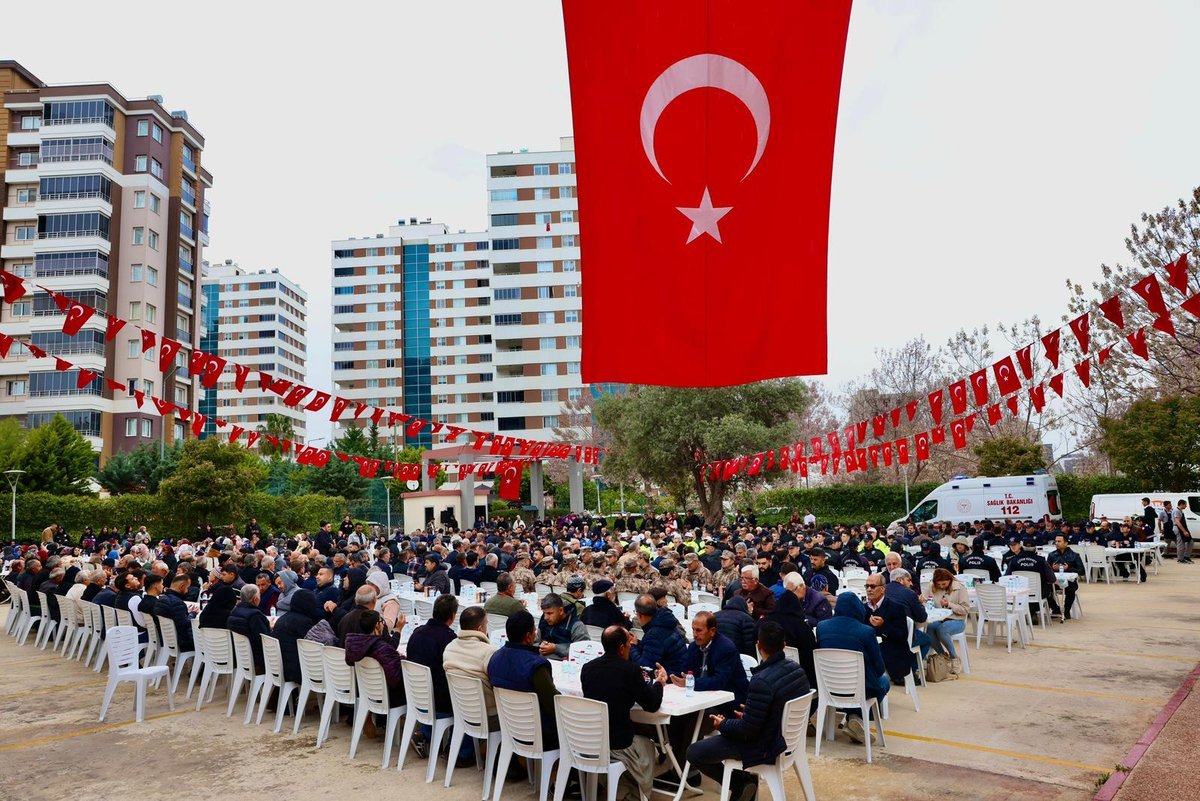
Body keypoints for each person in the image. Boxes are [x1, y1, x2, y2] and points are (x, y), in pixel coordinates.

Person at [686, 621, 810, 801]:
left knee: (694, 752)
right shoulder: (797, 670)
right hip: (787, 741)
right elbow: (776, 708)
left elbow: (747, 730)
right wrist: (751, 712)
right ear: (784, 645)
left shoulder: (762, 680)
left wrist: (724, 724)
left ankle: (740, 783)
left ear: (759, 646)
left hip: (765, 745)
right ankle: (744, 785)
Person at [581, 626, 668, 801]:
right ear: (622, 648)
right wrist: (659, 683)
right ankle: (637, 794)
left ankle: (623, 788)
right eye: (629, 645)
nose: (630, 648)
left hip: (592, 740)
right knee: (648, 744)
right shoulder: (630, 670)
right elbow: (652, 704)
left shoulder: (587, 668)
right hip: (617, 743)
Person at [405, 593, 471, 761]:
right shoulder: (449, 640)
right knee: (469, 701)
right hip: (438, 699)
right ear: (453, 616)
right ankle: (458, 751)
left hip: (416, 693)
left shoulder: (416, 633)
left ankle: (425, 734)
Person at [816, 593, 887, 745]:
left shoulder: (822, 627)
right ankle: (856, 719)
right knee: (884, 682)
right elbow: (879, 668)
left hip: (828, 686)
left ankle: (854, 720)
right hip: (857, 688)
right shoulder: (866, 632)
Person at [487, 610, 559, 747]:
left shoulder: (494, 657)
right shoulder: (536, 665)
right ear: (528, 636)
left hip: (508, 725)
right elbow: (553, 704)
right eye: (534, 631)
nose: (535, 634)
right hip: (539, 732)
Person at [674, 611, 748, 707]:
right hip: (701, 696)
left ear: (712, 631)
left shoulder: (726, 649)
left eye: (699, 630)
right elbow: (684, 671)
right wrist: (667, 675)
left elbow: (719, 682)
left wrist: (692, 682)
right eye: (693, 630)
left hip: (729, 701)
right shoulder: (693, 647)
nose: (695, 635)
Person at [443, 605, 498, 720]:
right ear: (480, 629)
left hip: (461, 711)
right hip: (489, 715)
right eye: (486, 625)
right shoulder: (488, 651)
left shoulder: (449, 647)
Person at [762, 573, 818, 686]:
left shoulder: (763, 624)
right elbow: (810, 660)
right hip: (798, 682)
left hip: (768, 678)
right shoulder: (802, 629)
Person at [344, 609, 406, 708]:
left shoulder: (357, 646)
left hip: (366, 691)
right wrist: (401, 658)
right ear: (377, 625)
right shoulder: (381, 648)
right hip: (389, 697)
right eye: (382, 622)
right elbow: (395, 679)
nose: (383, 625)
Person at [272, 589, 323, 685]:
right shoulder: (304, 622)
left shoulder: (283, 618)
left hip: (278, 666)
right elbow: (311, 646)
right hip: (295, 671)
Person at [630, 593, 688, 676]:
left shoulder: (654, 634)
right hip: (678, 671)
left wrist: (632, 647)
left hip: (671, 677)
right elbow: (653, 652)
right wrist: (637, 644)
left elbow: (645, 668)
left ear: (639, 615)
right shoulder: (664, 621)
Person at [925, 568, 969, 672]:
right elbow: (926, 602)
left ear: (950, 580)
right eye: (938, 584)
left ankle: (954, 657)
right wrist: (923, 601)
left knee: (942, 629)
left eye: (944, 584)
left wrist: (950, 604)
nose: (941, 586)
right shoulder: (931, 586)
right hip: (938, 618)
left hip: (957, 619)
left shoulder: (959, 588)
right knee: (928, 628)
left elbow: (965, 610)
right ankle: (942, 656)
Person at [228, 584, 270, 673]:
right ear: (255, 599)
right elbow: (264, 640)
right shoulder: (255, 616)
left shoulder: (234, 611)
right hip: (256, 660)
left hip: (239, 656)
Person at [536, 592, 588, 660]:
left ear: (560, 611)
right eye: (544, 613)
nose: (545, 617)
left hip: (565, 664)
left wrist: (556, 648)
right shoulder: (544, 621)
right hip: (542, 661)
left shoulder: (576, 626)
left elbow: (583, 651)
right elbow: (535, 642)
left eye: (549, 613)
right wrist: (540, 646)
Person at [1045, 533, 1084, 619]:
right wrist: (1052, 569)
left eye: (1059, 541)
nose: (1056, 543)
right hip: (1055, 581)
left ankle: (1066, 611)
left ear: (1066, 543)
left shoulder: (1074, 555)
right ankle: (1055, 608)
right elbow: (1046, 570)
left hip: (1069, 582)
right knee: (1044, 589)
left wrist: (1068, 568)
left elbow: (1082, 571)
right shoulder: (1051, 555)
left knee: (1071, 589)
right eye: (1056, 541)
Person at [156, 572, 195, 656]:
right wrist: (193, 614)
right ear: (181, 586)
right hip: (182, 643)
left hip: (168, 639)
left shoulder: (162, 599)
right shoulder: (177, 603)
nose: (187, 591)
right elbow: (184, 625)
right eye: (187, 588)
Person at [1173, 499, 1193, 563]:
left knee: (1190, 541)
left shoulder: (1180, 511)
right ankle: (1180, 559)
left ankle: (1186, 556)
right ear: (1181, 504)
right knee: (1181, 544)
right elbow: (1177, 522)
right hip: (1178, 528)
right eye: (1185, 505)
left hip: (1183, 528)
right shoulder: (1176, 511)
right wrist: (1184, 531)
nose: (1186, 506)